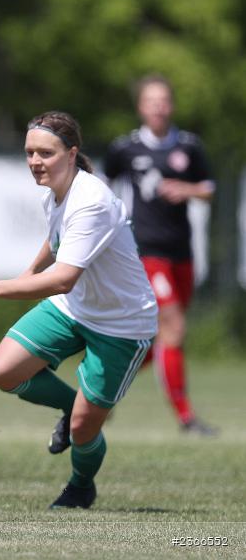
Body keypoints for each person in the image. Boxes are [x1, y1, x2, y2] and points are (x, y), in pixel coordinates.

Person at [0, 111, 157, 509]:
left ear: (72, 153)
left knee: (84, 428)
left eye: (45, 152)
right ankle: (68, 405)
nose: (34, 161)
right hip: (77, 308)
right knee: (3, 370)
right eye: (29, 153)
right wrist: (29, 271)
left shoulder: (91, 201)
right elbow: (56, 237)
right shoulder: (56, 192)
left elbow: (64, 279)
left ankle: (81, 486)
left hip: (122, 324)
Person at [103, 75, 216, 435]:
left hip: (182, 251)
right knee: (174, 328)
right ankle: (186, 417)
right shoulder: (126, 149)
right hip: (147, 252)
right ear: (141, 106)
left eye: (164, 100)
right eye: (151, 100)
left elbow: (209, 188)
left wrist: (188, 189)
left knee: (157, 340)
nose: (158, 106)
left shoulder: (188, 146)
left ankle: (101, 394)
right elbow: (102, 186)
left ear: (172, 105)